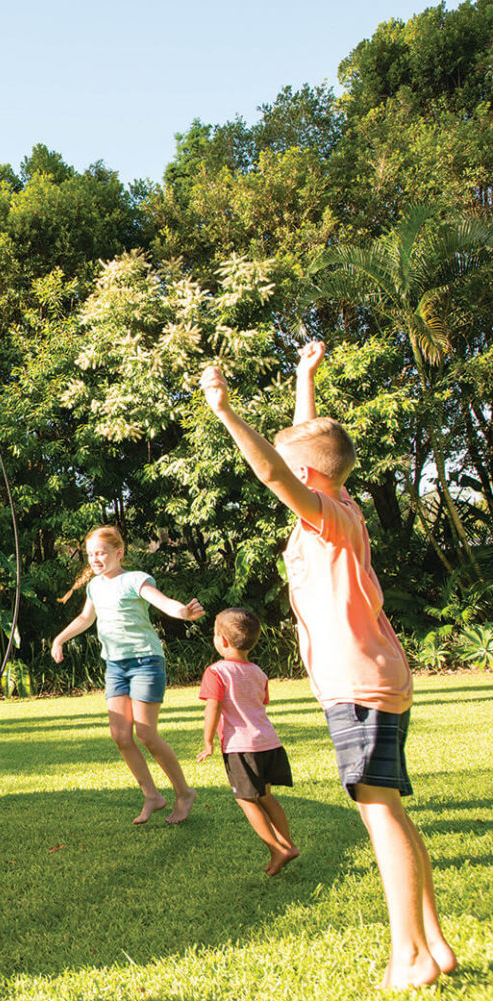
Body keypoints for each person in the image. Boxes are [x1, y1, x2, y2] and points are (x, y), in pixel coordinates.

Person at [202, 342, 457, 989]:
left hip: (361, 682)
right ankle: (433, 942)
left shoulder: (328, 520)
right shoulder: (337, 511)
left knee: (380, 811)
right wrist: (302, 377)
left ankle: (411, 955)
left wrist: (226, 411)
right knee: (390, 806)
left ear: (308, 481)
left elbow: (277, 471)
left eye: (295, 476)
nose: (284, 483)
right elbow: (305, 454)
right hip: (375, 677)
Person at [51, 525, 205, 824]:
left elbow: (163, 602)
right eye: (91, 554)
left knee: (145, 733)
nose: (95, 559)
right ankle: (152, 796)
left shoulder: (135, 579)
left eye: (101, 553)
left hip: (145, 661)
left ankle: (184, 792)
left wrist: (184, 612)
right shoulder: (94, 586)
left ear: (118, 553)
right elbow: (86, 618)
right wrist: (59, 639)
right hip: (116, 666)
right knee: (121, 736)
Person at [195, 606, 298, 876]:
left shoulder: (216, 672)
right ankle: (288, 844)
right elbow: (262, 701)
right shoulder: (258, 672)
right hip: (268, 742)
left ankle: (277, 849)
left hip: (241, 747)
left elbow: (213, 707)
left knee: (246, 799)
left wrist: (208, 742)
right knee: (265, 795)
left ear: (223, 640)